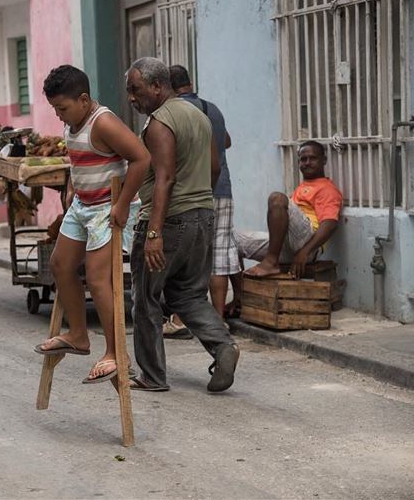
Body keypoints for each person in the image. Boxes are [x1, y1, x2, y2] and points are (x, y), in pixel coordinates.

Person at [125, 57, 239, 393]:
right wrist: (200, 199)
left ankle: (152, 375)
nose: (132, 98)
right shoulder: (200, 117)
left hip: (167, 220)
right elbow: (215, 167)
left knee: (146, 298)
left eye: (136, 89)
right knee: (188, 294)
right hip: (202, 215)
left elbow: (165, 178)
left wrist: (155, 234)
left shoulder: (159, 123)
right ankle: (222, 346)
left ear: (158, 87)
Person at [34, 65, 150, 384]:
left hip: (106, 208)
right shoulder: (74, 123)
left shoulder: (104, 122)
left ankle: (115, 352)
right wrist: (73, 188)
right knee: (60, 265)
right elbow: (80, 161)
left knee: (99, 280)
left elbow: (141, 158)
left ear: (84, 100)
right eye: (55, 109)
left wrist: (124, 203)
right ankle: (79, 336)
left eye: (62, 108)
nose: (58, 115)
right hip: (82, 205)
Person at [229, 141, 342, 310]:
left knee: (277, 198)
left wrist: (305, 251)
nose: (307, 163)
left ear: (324, 160)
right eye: (303, 159)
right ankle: (240, 297)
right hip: (287, 245)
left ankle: (271, 262)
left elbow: (330, 223)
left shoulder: (327, 189)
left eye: (313, 158)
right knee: (230, 239)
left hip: (307, 245)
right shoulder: (302, 188)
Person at [169, 64, 241, 321]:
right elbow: (227, 141)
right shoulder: (213, 109)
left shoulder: (178, 113)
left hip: (194, 193)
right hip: (223, 189)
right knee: (219, 253)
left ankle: (180, 318)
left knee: (186, 255)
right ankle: (218, 319)